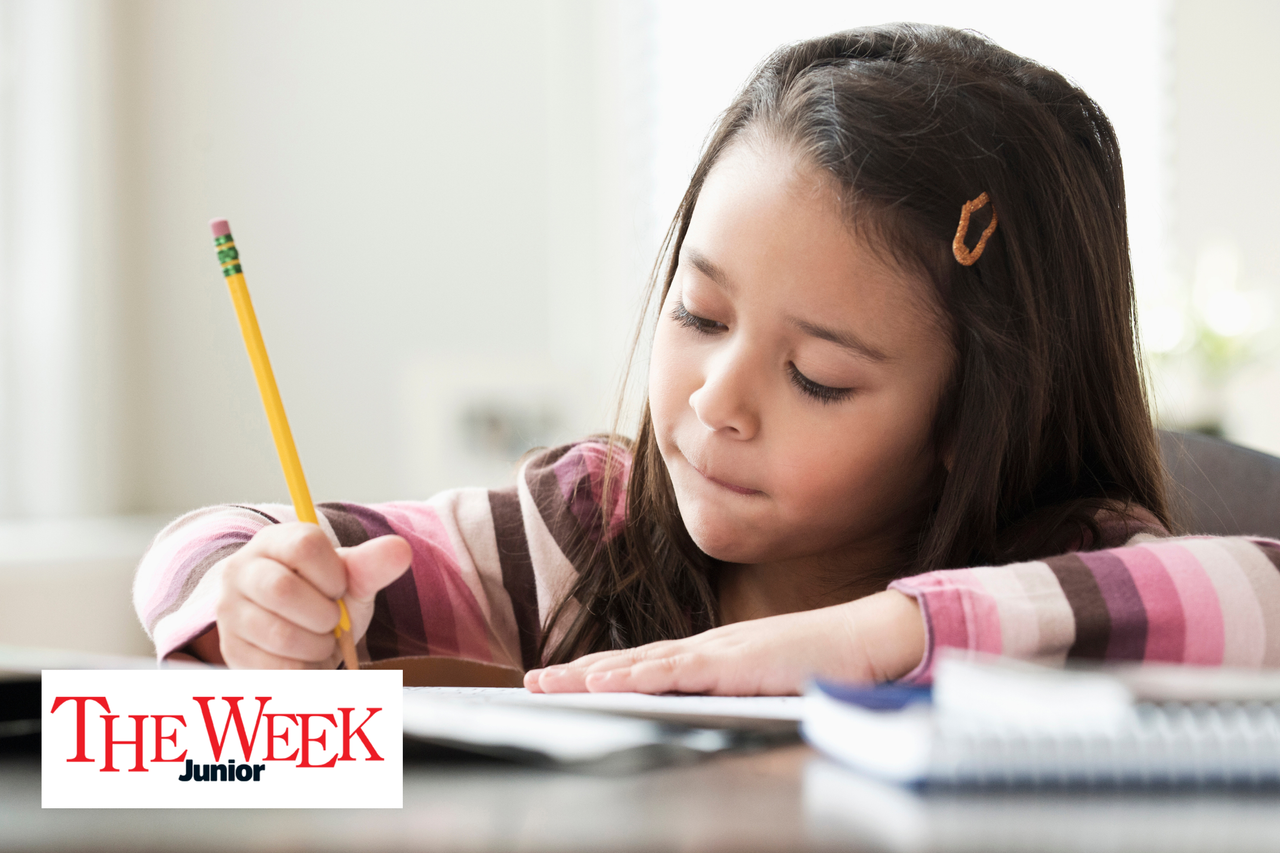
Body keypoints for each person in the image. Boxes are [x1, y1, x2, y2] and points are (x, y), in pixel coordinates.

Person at [134, 23, 1280, 694]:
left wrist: (880, 636)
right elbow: (212, 540)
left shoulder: (1062, 566)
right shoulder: (585, 530)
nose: (715, 402)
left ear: (972, 417)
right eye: (698, 314)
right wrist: (249, 599)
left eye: (818, 377)